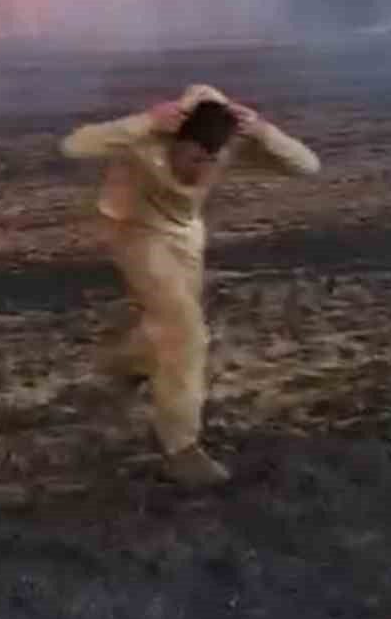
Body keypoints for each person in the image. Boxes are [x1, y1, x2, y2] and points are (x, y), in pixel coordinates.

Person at [61, 84, 319, 489]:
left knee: (170, 322)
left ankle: (122, 366)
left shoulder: (226, 143)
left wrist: (264, 131)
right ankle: (181, 449)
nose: (202, 170)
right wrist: (144, 120)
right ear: (175, 139)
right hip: (134, 228)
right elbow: (74, 145)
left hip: (184, 237)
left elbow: (308, 166)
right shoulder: (147, 136)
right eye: (195, 158)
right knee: (185, 330)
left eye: (211, 161)